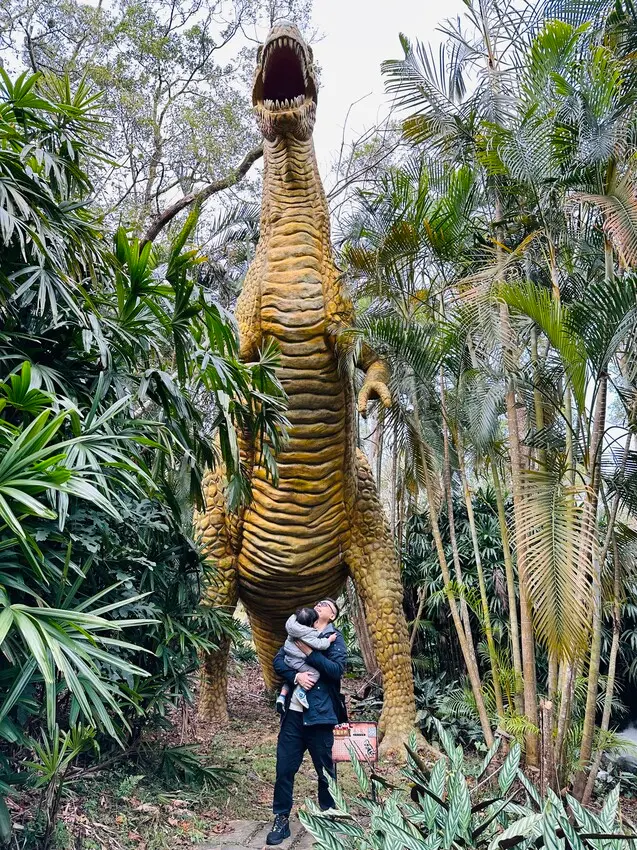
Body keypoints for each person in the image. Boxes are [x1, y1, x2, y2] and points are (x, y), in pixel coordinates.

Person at [266, 598, 346, 846]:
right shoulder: (299, 628)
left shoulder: (335, 637)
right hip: (294, 715)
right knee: (284, 769)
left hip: (321, 715)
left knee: (325, 771)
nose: (321, 605)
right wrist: (297, 676)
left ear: (331, 616)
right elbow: (278, 661)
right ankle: (281, 818)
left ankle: (328, 817)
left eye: (328, 605)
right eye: (320, 603)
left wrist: (310, 653)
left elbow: (336, 670)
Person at [276, 607, 338, 713]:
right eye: (318, 604)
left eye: (324, 605)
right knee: (315, 674)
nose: (319, 606)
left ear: (332, 616)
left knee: (290, 679)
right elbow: (320, 644)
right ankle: (301, 692)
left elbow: (336, 670)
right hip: (298, 661)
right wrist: (329, 640)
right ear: (313, 622)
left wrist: (295, 676)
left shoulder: (291, 626)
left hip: (288, 658)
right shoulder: (308, 633)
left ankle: (282, 696)